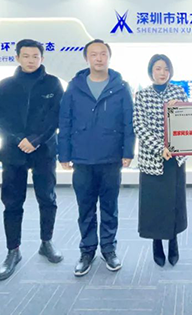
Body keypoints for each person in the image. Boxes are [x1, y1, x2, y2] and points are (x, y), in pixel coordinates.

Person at [0, 39, 65, 281]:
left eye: (35, 56)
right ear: (17, 57)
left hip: (44, 150)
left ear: (42, 58)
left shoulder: (53, 83)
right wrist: (18, 138)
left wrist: (36, 140)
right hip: (13, 151)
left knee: (47, 198)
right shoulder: (5, 85)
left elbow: (57, 116)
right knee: (12, 202)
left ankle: (46, 242)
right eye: (26, 56)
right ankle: (13, 250)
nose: (31, 60)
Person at [58, 39, 135, 276]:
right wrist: (64, 153)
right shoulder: (75, 87)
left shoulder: (121, 87)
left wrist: (128, 151)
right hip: (82, 157)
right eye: (94, 54)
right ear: (86, 58)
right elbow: (65, 121)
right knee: (86, 207)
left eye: (103, 54)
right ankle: (87, 250)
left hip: (111, 157)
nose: (99, 58)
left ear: (109, 57)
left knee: (110, 206)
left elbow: (128, 121)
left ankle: (109, 249)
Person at [133, 54, 188, 267]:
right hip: (152, 158)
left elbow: (189, 120)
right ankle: (156, 243)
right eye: (158, 68)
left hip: (175, 157)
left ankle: (173, 242)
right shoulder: (142, 95)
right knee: (154, 203)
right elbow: (139, 126)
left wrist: (180, 108)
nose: (162, 72)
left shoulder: (179, 92)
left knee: (174, 202)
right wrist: (159, 148)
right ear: (151, 72)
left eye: (166, 68)